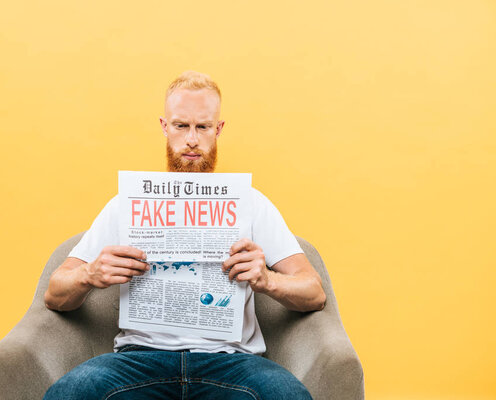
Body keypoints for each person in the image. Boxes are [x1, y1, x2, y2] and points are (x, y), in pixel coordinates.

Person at [42, 70, 326, 400]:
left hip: (233, 364)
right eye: (181, 126)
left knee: (288, 396)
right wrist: (89, 274)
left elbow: (315, 292)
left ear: (218, 130)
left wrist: (268, 280)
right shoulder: (126, 204)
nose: (192, 139)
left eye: (202, 127)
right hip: (139, 361)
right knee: (67, 393)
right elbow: (54, 294)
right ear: (165, 127)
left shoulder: (251, 202)